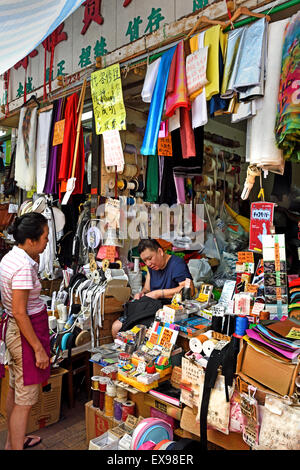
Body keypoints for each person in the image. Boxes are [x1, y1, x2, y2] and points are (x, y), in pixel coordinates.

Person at [0, 213, 50, 450]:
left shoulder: (11, 258)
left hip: (15, 330)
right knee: (25, 400)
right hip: (24, 335)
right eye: (45, 237)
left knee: (15, 390)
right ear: (30, 241)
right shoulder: (22, 268)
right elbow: (21, 312)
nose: (47, 242)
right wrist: (38, 349)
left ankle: (12, 442)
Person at [112, 239, 194, 338]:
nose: (148, 263)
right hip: (152, 308)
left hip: (169, 312)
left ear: (160, 252)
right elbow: (147, 289)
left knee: (129, 330)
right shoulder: (152, 268)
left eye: (150, 258)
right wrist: (141, 293)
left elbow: (189, 290)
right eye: (145, 261)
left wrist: (157, 293)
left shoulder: (177, 264)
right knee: (116, 327)